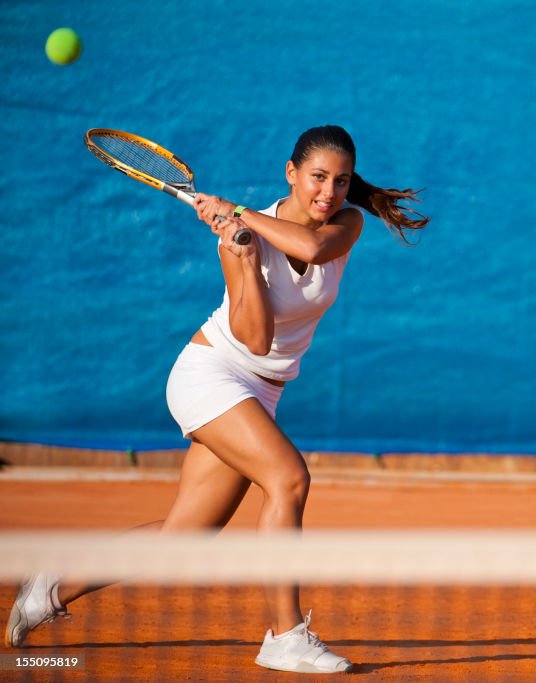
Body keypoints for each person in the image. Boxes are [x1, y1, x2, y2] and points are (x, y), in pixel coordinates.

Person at [4, 125, 428, 674]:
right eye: (318, 178)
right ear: (290, 174)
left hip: (261, 391)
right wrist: (245, 256)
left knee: (187, 534)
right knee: (288, 478)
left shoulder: (343, 224)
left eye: (341, 181)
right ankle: (285, 637)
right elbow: (256, 339)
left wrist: (241, 215)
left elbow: (312, 247)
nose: (329, 193)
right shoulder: (238, 241)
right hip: (211, 375)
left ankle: (52, 587)